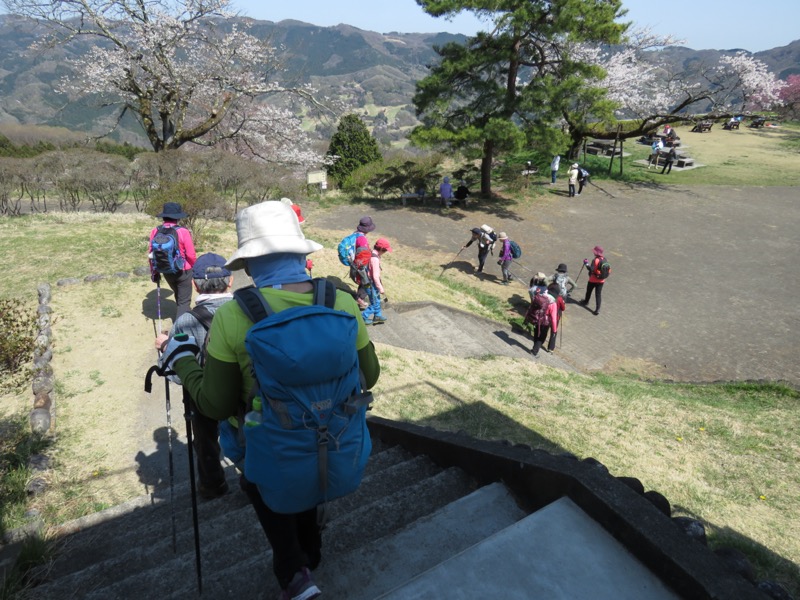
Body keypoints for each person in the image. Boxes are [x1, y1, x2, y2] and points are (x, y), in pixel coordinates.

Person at [159, 201, 381, 600]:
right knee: (308, 468)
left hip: (272, 447)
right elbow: (372, 374)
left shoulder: (236, 316)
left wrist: (184, 363)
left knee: (261, 479)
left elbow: (215, 404)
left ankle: (293, 572)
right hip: (335, 439)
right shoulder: (341, 302)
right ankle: (311, 549)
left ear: (249, 263)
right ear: (300, 253)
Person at [154, 253, 233, 500]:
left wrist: (166, 347)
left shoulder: (186, 321)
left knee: (206, 441)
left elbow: (176, 375)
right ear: (230, 281)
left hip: (202, 395)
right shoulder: (246, 310)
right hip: (243, 390)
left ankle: (213, 485)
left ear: (196, 284)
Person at [149, 202, 197, 319]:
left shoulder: (156, 231)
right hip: (183, 270)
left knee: (179, 294)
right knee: (184, 301)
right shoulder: (182, 231)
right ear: (177, 217)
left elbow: (151, 254)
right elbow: (191, 254)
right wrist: (193, 268)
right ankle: (180, 329)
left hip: (165, 269)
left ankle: (184, 313)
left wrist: (154, 272)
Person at [361, 238, 392, 325]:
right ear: (381, 249)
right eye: (385, 250)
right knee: (374, 303)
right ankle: (362, 317)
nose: (385, 252)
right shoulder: (375, 259)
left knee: (376, 300)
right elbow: (375, 276)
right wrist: (380, 288)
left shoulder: (372, 253)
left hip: (368, 283)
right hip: (372, 284)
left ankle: (377, 316)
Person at [580, 245, 610, 316]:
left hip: (593, 279)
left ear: (596, 253)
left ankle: (586, 301)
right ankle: (597, 309)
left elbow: (591, 269)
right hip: (601, 280)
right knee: (598, 295)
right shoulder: (604, 259)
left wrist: (586, 263)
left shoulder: (595, 260)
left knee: (589, 291)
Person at [530, 286, 558, 357]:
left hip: (537, 318)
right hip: (545, 322)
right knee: (541, 337)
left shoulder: (541, 297)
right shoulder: (553, 303)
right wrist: (554, 330)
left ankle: (534, 348)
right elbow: (554, 318)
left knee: (536, 334)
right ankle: (534, 352)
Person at [546, 282, 566, 353]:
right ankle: (550, 348)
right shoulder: (559, 298)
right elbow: (563, 308)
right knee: (553, 332)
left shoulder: (547, 295)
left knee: (545, 329)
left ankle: (540, 341)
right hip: (555, 317)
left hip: (547, 316)